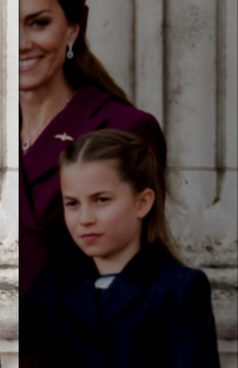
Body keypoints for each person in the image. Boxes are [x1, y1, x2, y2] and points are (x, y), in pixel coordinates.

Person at [18, 0, 167, 296]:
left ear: (72, 28)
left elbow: (143, 275)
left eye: (38, 23)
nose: (21, 44)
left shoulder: (126, 128)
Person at [21, 129, 219, 366]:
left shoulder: (179, 289)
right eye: (72, 203)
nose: (85, 218)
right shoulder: (51, 289)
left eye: (101, 200)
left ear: (142, 203)